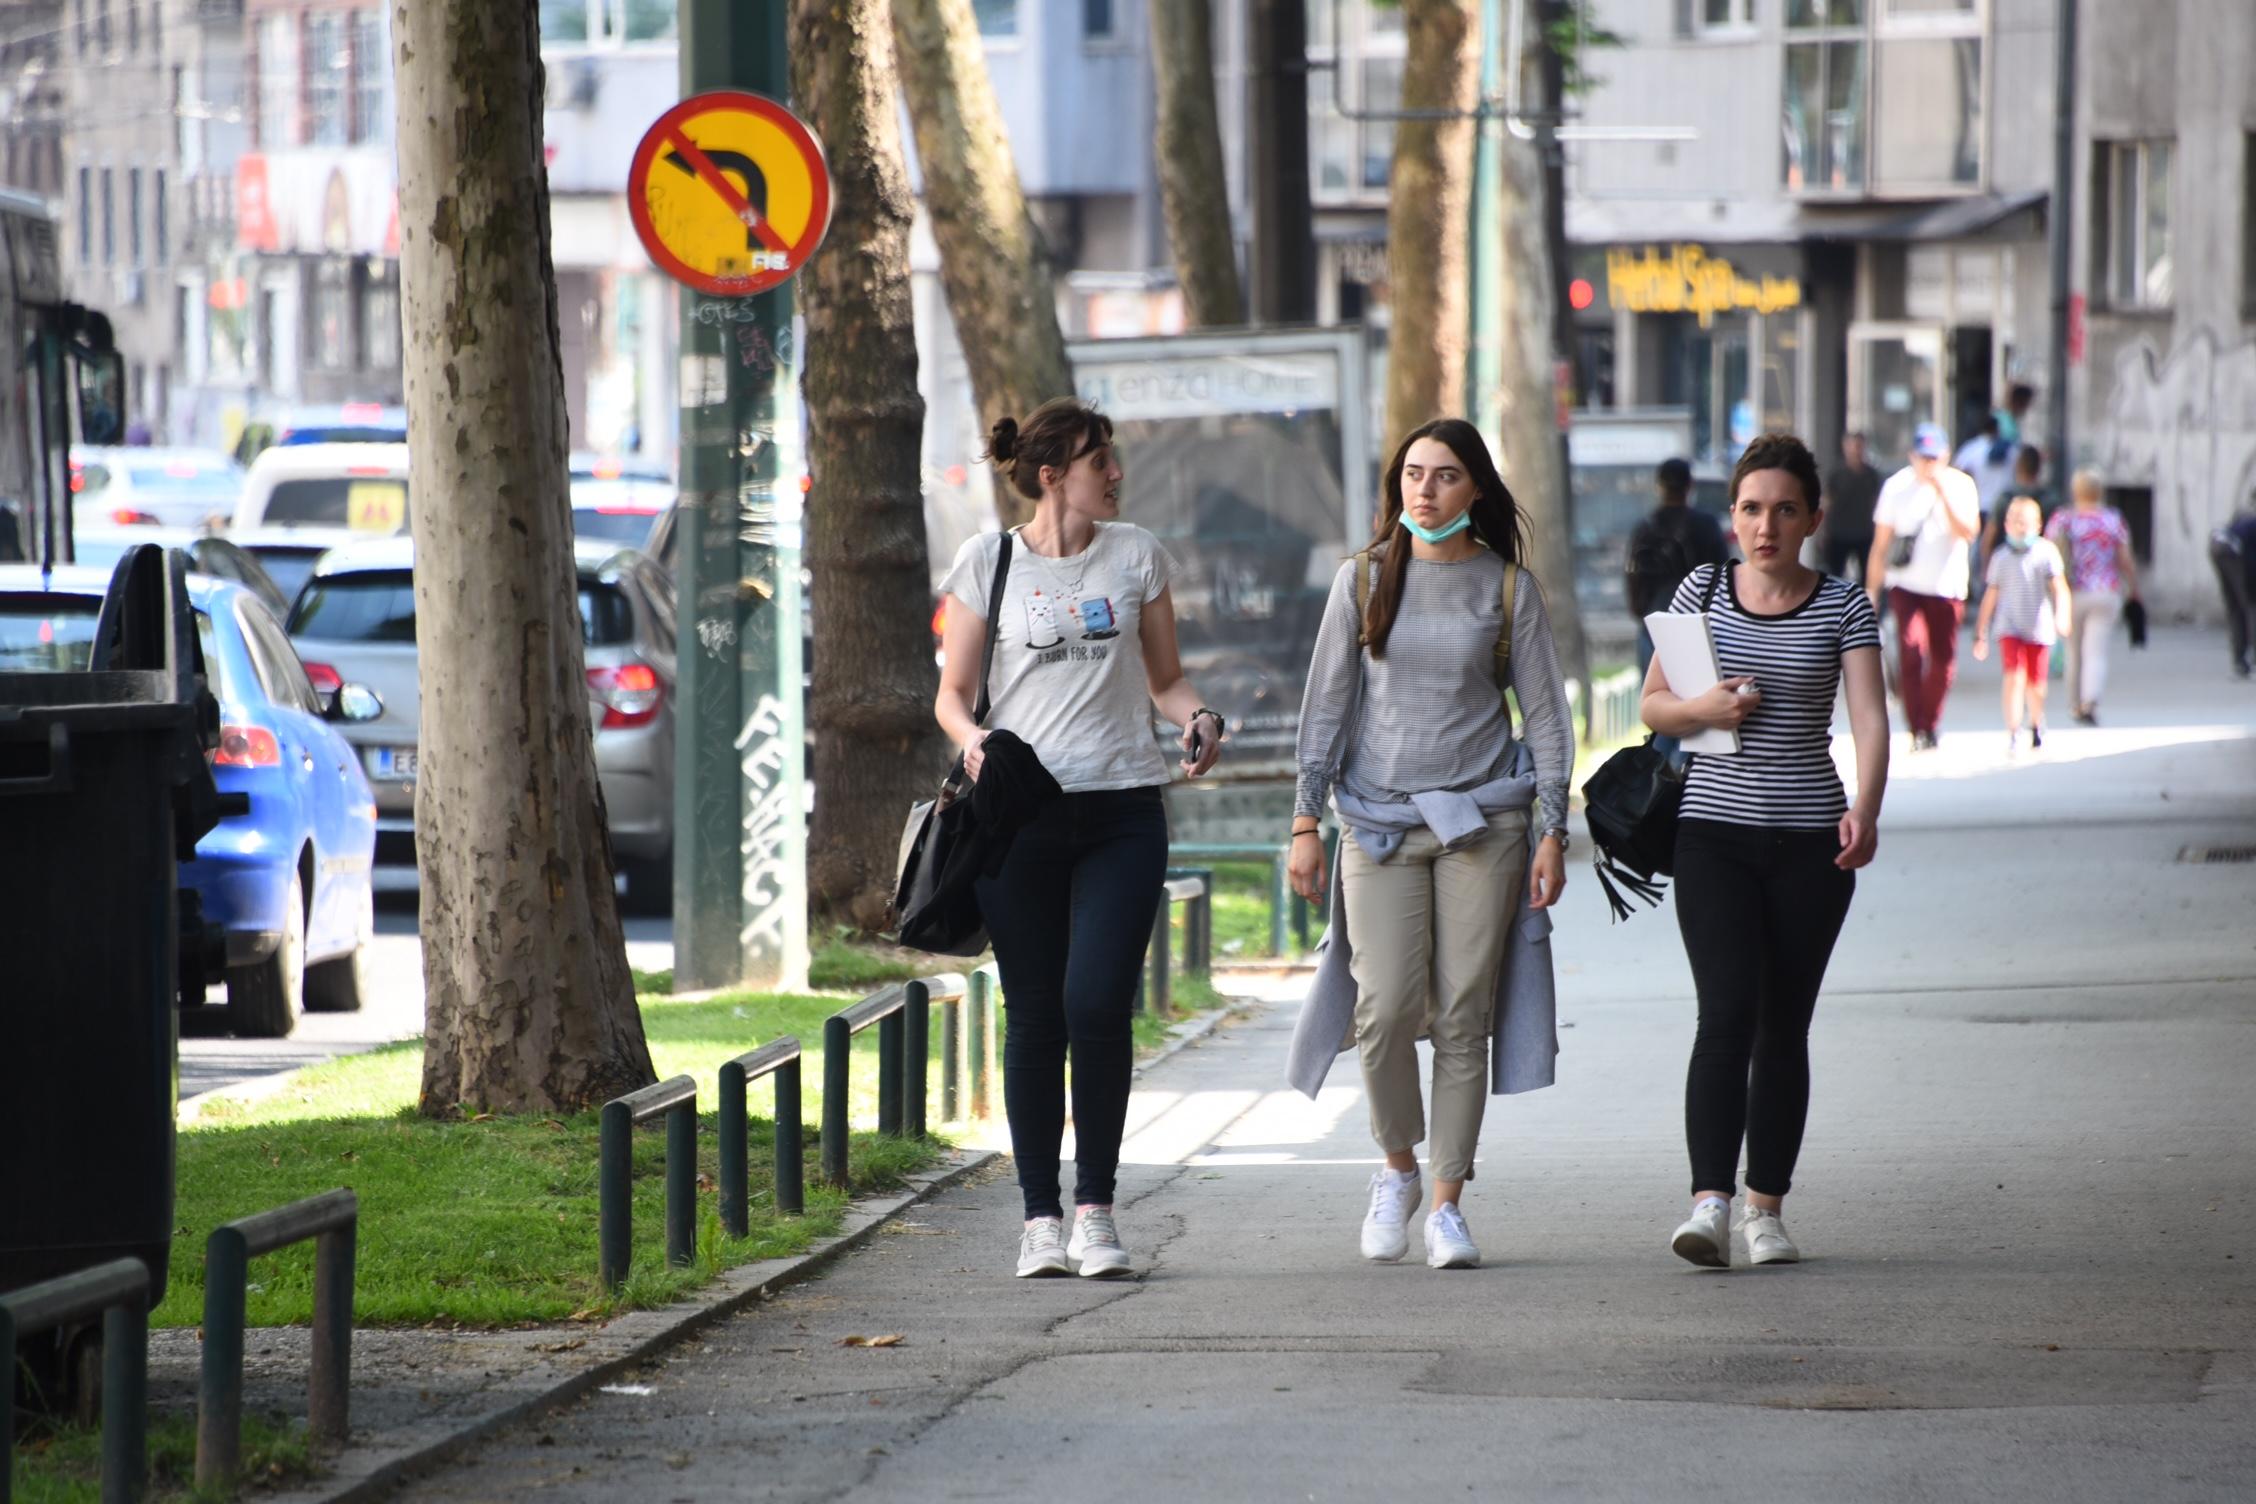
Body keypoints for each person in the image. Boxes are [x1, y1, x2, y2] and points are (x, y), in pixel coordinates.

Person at [933, 397, 1225, 1280]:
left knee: (1097, 1005)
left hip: (1122, 810)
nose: (1117, 474)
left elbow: (1166, 680)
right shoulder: (985, 564)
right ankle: (1038, 1220)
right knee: (1037, 1017)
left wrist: (1199, 715)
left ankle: (1096, 1210)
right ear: (1055, 472)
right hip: (1017, 816)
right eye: (1103, 460)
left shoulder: (1136, 555)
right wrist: (977, 745)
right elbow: (952, 695)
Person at [1282, 417, 1573, 1271]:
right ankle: (1397, 1168)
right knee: (1381, 1011)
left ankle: (1447, 1203)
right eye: (1413, 474)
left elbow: (1547, 717)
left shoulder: (1509, 588)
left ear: (1474, 489)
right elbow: (1326, 708)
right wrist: (1306, 821)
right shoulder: (1363, 578)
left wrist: (1554, 828)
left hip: (1485, 823)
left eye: (1445, 476)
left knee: (1461, 1015)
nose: (1425, 489)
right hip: (1376, 821)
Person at [1638, 432, 1889, 1269]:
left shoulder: (1845, 605)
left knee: (1784, 1027)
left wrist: (1867, 807)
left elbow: (1869, 720)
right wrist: (1705, 708)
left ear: (1814, 517)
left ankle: (1765, 1209)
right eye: (1750, 509)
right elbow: (1652, 708)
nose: (1766, 525)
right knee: (1725, 1017)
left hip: (1812, 843)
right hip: (1713, 838)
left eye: (1784, 510)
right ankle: (1708, 1203)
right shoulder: (1701, 590)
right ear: (1732, 517)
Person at [1867, 422, 1981, 750]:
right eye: (1922, 457)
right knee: (1911, 651)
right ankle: (1915, 726)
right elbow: (1880, 544)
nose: (1928, 464)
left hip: (1947, 587)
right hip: (1906, 585)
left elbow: (1968, 531)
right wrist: (1872, 591)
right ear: (1911, 455)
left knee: (1943, 660)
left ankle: (1931, 722)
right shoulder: (1895, 487)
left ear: (1945, 456)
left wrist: (1942, 493)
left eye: (1934, 457)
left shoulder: (1961, 485)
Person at [1626, 458, 1730, 760]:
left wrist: (1643, 615)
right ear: (1689, 486)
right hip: (1699, 628)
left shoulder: (1644, 528)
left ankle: (1659, 783)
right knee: (1694, 711)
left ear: (1659, 486)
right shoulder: (1706, 526)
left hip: (1654, 624)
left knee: (1657, 709)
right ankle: (1679, 778)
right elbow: (1725, 575)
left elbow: (1632, 578)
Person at [1974, 496, 2072, 754]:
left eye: (2025, 522)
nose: (2020, 527)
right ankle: (2014, 730)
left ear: (2038, 525)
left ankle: (2037, 722)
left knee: (2036, 683)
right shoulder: (2001, 557)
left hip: (2039, 627)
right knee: (2014, 677)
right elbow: (1991, 594)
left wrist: (2063, 615)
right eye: (2015, 522)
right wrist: (1980, 630)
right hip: (2009, 626)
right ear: (2006, 525)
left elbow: (2059, 588)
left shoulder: (2046, 552)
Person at [2046, 469, 2142, 723]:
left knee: (2073, 652)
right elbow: (2126, 560)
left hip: (2071, 592)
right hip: (2105, 592)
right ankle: (2090, 701)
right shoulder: (2112, 520)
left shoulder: (2062, 520)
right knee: (2095, 651)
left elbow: (2048, 557)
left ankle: (2075, 704)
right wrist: (2134, 588)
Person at [1821, 432, 1882, 583]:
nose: (1855, 450)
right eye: (1852, 446)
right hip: (1839, 532)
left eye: (1859, 446)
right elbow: (1827, 502)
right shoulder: (1836, 474)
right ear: (1845, 447)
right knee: (1834, 576)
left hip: (1864, 532)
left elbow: (1877, 505)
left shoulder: (1872, 475)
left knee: (1866, 577)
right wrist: (1823, 531)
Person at [2212, 506, 2256, 679]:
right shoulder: (2252, 526)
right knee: (2250, 605)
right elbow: (2251, 561)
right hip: (2231, 549)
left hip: (2216, 544)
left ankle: (2239, 661)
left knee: (2235, 607)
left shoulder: (2246, 521)